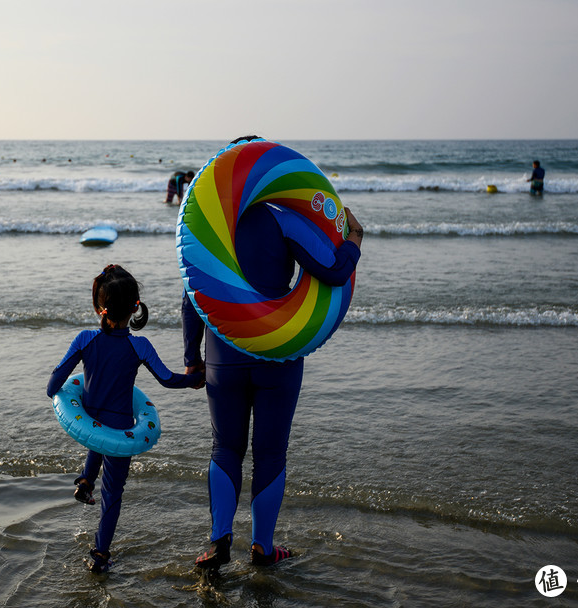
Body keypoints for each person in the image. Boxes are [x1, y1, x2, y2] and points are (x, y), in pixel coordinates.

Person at [183, 136, 364, 571]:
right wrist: (354, 236)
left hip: (223, 353)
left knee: (225, 447)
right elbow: (335, 271)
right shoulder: (282, 220)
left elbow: (191, 296)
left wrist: (192, 357)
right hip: (279, 351)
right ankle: (262, 548)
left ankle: (217, 543)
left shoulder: (207, 228)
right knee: (270, 453)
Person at [47, 265, 204, 574]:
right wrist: (196, 379)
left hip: (91, 416)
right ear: (136, 308)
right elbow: (168, 379)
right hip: (121, 429)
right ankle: (100, 555)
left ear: (98, 307)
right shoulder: (139, 346)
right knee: (113, 494)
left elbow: (53, 386)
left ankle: (85, 480)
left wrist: (60, 393)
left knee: (96, 432)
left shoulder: (85, 339)